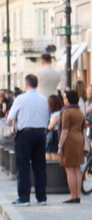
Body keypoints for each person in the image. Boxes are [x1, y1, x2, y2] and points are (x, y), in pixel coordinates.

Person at [7, 74, 51, 206]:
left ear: (26, 85)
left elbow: (10, 119)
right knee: (40, 166)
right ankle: (41, 197)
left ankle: (24, 198)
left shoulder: (21, 98)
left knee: (23, 166)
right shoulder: (43, 99)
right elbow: (47, 118)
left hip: (25, 133)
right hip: (41, 133)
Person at [58, 90, 85, 203]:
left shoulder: (66, 112)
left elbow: (64, 130)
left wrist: (60, 145)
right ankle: (78, 195)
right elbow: (84, 127)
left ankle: (73, 195)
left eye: (65, 98)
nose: (63, 100)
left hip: (69, 140)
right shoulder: (79, 111)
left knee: (69, 168)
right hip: (79, 139)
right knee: (77, 169)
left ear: (68, 99)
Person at [46, 93, 63, 161]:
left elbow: (50, 127)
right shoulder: (57, 113)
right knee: (49, 154)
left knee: (53, 155)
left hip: (54, 135)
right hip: (52, 135)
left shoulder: (57, 114)